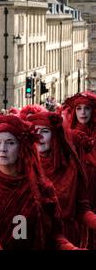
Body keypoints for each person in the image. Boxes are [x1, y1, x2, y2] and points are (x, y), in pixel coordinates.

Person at [0, 115, 77, 250]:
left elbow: (55, 235)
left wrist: (70, 248)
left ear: (22, 147)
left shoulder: (41, 188)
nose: (3, 148)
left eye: (10, 142)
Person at [28, 111, 96, 247]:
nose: (39, 136)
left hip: (68, 237)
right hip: (33, 238)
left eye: (45, 131)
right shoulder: (23, 168)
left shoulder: (72, 168)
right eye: (35, 131)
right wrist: (20, 239)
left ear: (55, 136)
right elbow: (18, 217)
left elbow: (82, 210)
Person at [63, 91, 96, 248]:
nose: (83, 112)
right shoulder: (67, 135)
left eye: (87, 109)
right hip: (76, 187)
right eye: (79, 108)